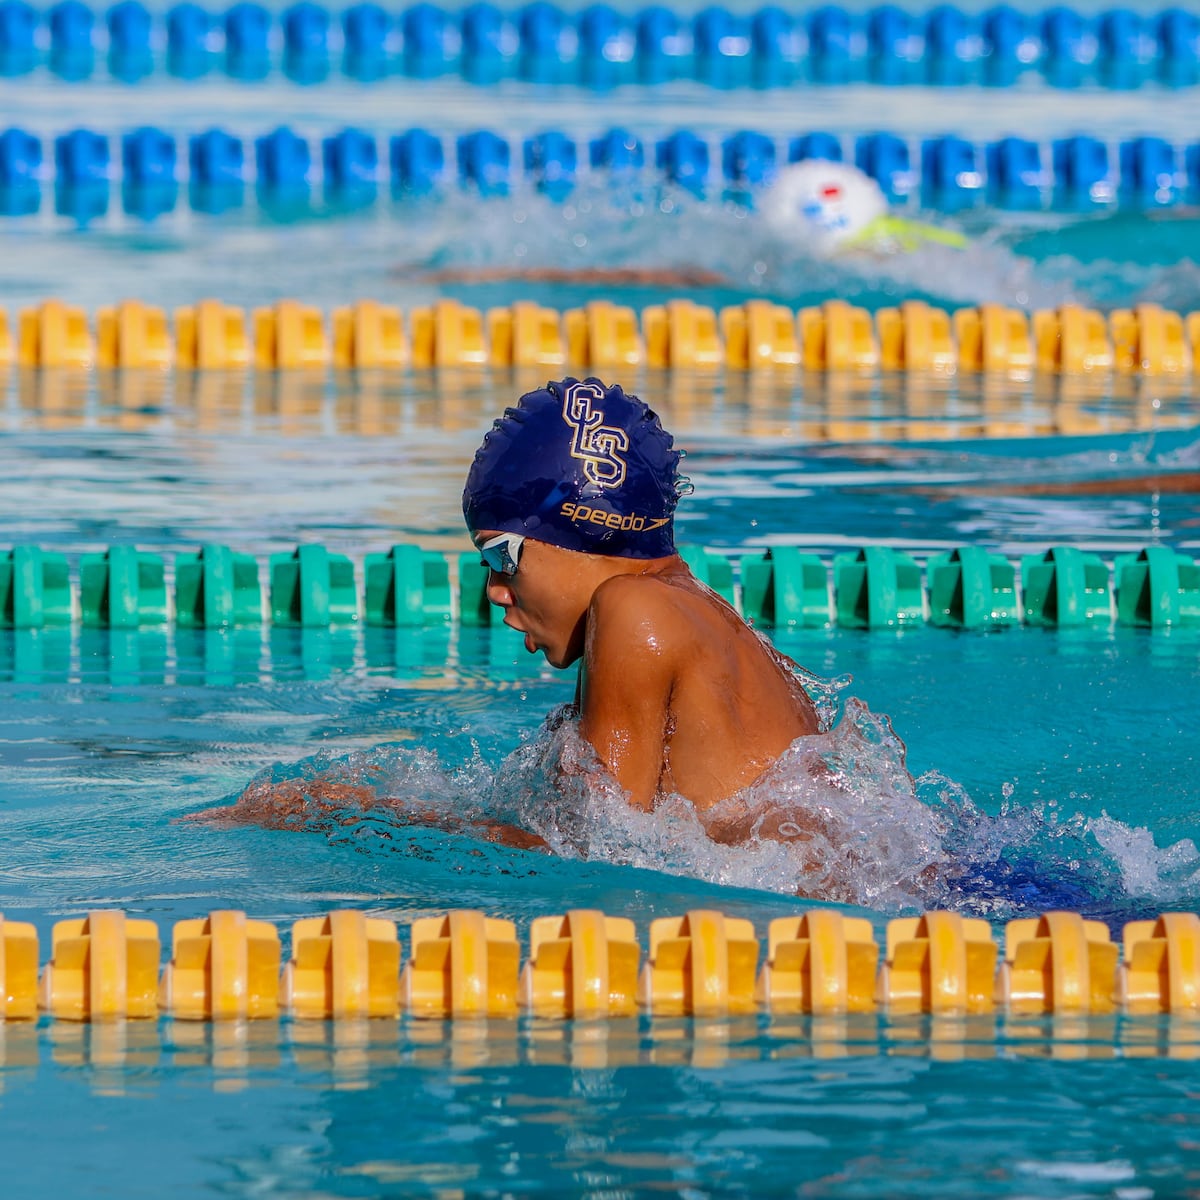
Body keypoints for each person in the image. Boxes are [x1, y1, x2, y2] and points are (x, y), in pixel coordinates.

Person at [463, 377, 822, 832]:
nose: (494, 588)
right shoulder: (699, 614)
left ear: (583, 529)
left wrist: (392, 823)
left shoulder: (633, 610)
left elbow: (595, 852)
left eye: (502, 557)